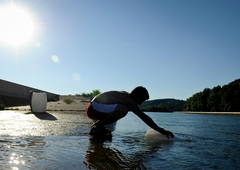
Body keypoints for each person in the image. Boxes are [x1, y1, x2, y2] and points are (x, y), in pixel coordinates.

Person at [86, 86, 174, 139]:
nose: (140, 103)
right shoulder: (129, 99)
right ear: (138, 96)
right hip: (93, 108)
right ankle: (97, 127)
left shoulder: (126, 96)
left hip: (94, 107)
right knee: (123, 110)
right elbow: (143, 116)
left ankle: (98, 127)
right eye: (142, 100)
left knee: (122, 109)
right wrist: (160, 130)